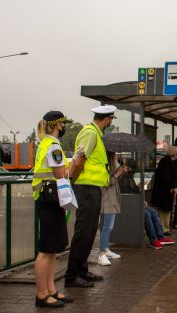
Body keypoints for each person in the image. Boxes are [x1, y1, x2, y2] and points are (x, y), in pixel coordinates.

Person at [64, 105, 116, 288]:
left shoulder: (96, 134)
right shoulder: (90, 133)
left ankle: (82, 270)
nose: (111, 122)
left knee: (89, 232)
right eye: (111, 119)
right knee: (82, 232)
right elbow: (79, 159)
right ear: (107, 119)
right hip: (85, 188)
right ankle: (71, 275)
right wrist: (73, 180)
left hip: (93, 189)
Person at [32, 111, 76, 308]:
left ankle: (51, 290)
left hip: (46, 198)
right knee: (45, 250)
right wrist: (75, 160)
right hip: (50, 199)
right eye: (63, 124)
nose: (65, 127)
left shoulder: (45, 143)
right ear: (58, 125)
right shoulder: (54, 146)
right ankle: (41, 295)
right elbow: (61, 174)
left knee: (51, 250)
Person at [98, 152, 128, 266]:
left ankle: (105, 249)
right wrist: (116, 175)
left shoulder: (110, 166)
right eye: (115, 154)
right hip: (107, 200)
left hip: (112, 199)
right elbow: (105, 182)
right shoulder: (104, 166)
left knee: (109, 227)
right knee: (107, 227)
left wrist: (118, 173)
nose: (117, 156)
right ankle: (101, 253)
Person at [151, 146, 177, 235]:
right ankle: (164, 229)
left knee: (165, 210)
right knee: (165, 210)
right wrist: (173, 186)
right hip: (165, 191)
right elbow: (166, 177)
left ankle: (165, 228)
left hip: (163, 190)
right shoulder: (168, 162)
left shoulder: (165, 161)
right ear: (175, 154)